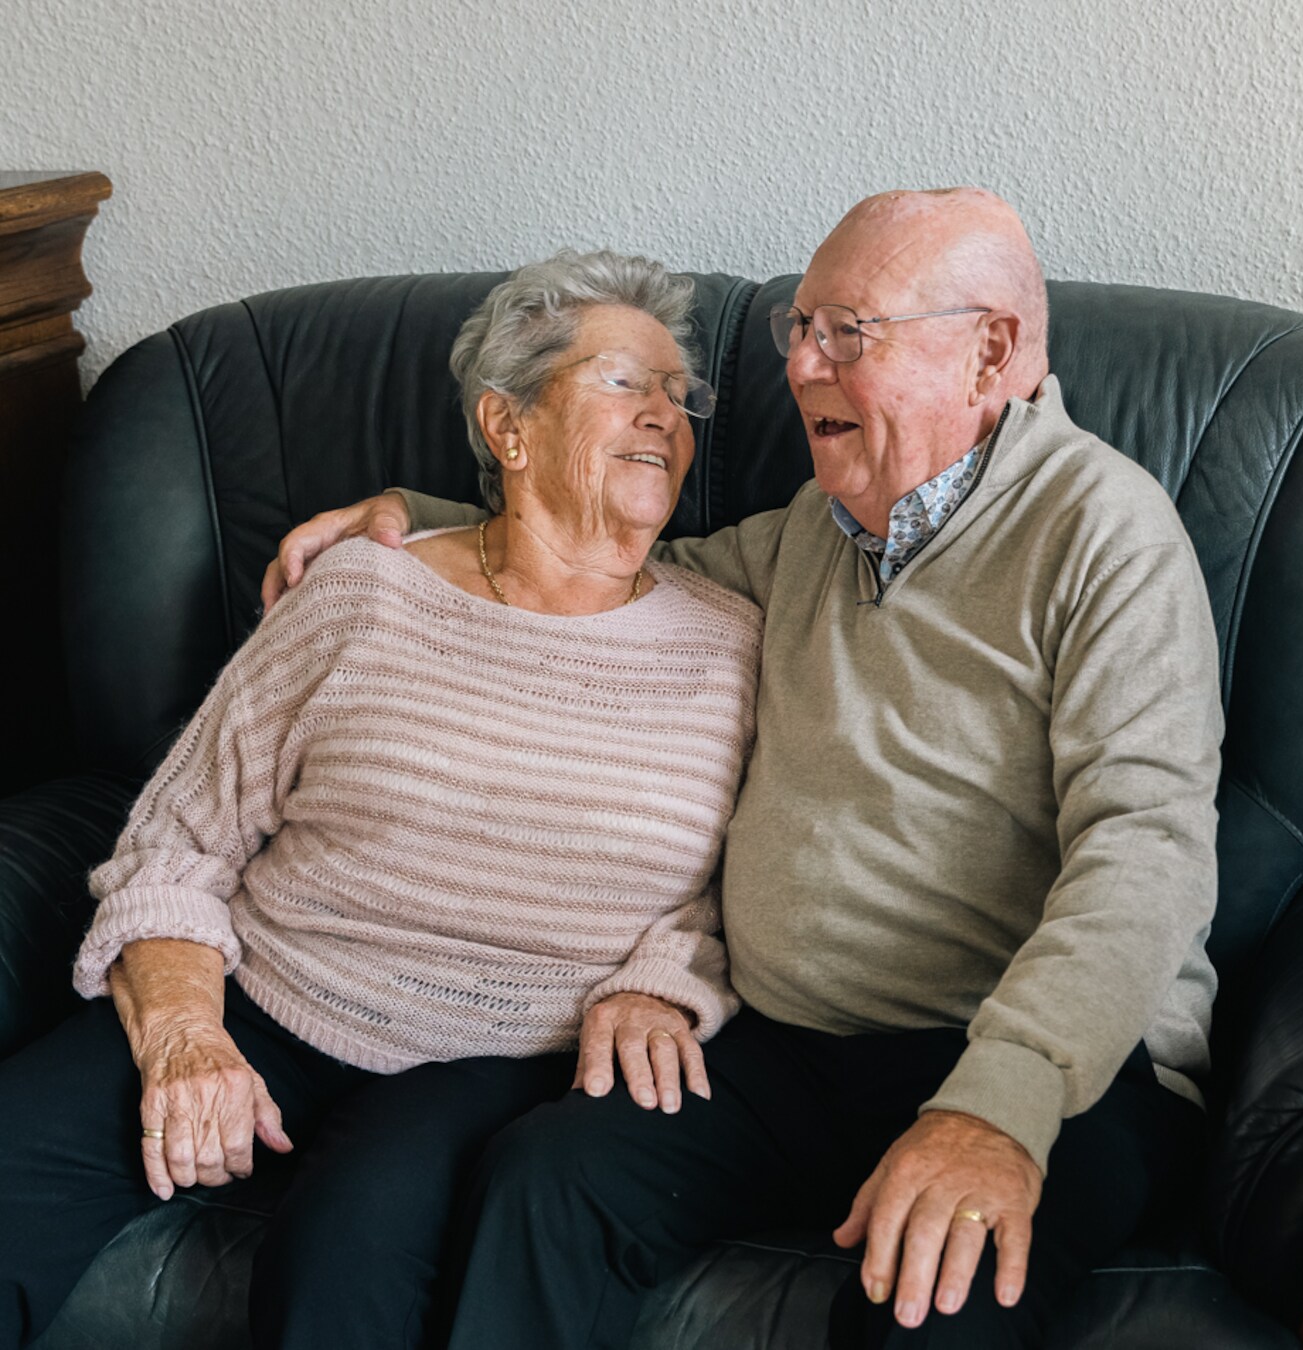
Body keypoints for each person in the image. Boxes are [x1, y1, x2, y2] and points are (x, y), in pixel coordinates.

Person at [265, 187, 1225, 1349]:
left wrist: (995, 1111)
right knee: (546, 1180)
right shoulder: (806, 536)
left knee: (935, 1303)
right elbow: (616, 562)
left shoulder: (1106, 534)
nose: (803, 365)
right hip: (788, 1045)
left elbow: (1148, 853)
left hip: (1035, 1065)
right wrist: (413, 517)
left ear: (991, 353)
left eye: (848, 333)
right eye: (798, 329)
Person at [0, 250, 762, 1350]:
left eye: (680, 395)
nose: (667, 416)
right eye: (623, 382)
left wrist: (669, 981)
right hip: (271, 990)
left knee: (346, 1261)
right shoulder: (364, 594)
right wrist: (183, 1032)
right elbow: (180, 837)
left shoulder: (733, 638)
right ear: (508, 427)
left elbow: (759, 874)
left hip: (508, 1052)